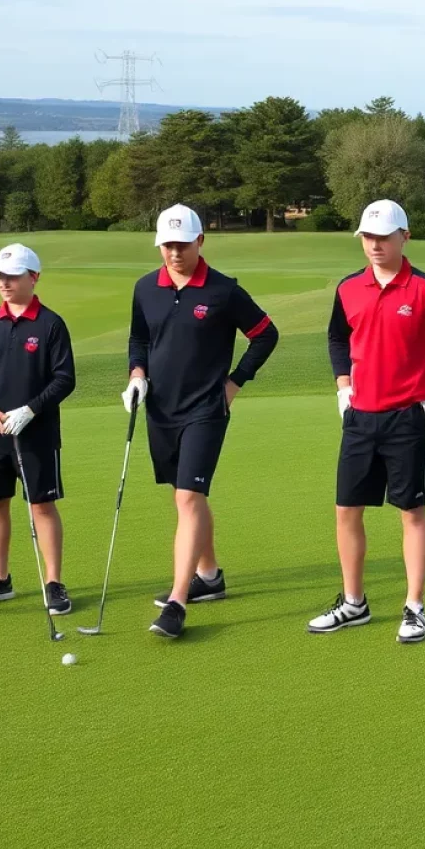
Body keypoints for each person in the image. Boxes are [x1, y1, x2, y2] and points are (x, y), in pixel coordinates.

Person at [309, 199, 425, 644]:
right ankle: (353, 603)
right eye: (368, 237)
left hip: (409, 418)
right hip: (360, 417)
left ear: (405, 236)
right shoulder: (348, 288)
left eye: (384, 237)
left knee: (411, 512)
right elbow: (336, 337)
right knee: (347, 511)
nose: (375, 245)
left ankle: (415, 606)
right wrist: (342, 384)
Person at [125, 204, 279, 639]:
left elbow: (266, 333)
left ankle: (177, 601)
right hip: (160, 409)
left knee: (188, 498)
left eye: (182, 244)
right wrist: (137, 374)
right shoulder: (145, 288)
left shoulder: (223, 291)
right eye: (167, 245)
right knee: (184, 496)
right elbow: (138, 337)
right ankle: (209, 577)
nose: (174, 253)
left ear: (200, 242)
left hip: (206, 410)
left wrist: (234, 384)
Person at [0, 244, 76, 615]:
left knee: (42, 505)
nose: (4, 284)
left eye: (12, 276)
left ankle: (54, 583)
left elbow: (64, 379)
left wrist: (31, 409)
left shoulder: (50, 324)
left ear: (34, 277)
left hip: (37, 434)